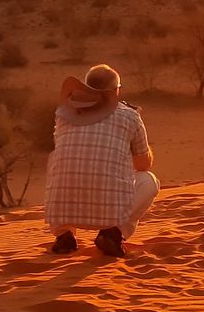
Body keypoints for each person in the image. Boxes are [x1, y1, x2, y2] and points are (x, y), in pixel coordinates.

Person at [44, 65, 159, 258]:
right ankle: (113, 234)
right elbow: (143, 165)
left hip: (64, 211)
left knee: (62, 169)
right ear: (116, 91)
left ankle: (64, 235)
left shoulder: (64, 114)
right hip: (108, 214)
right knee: (149, 180)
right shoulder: (130, 116)